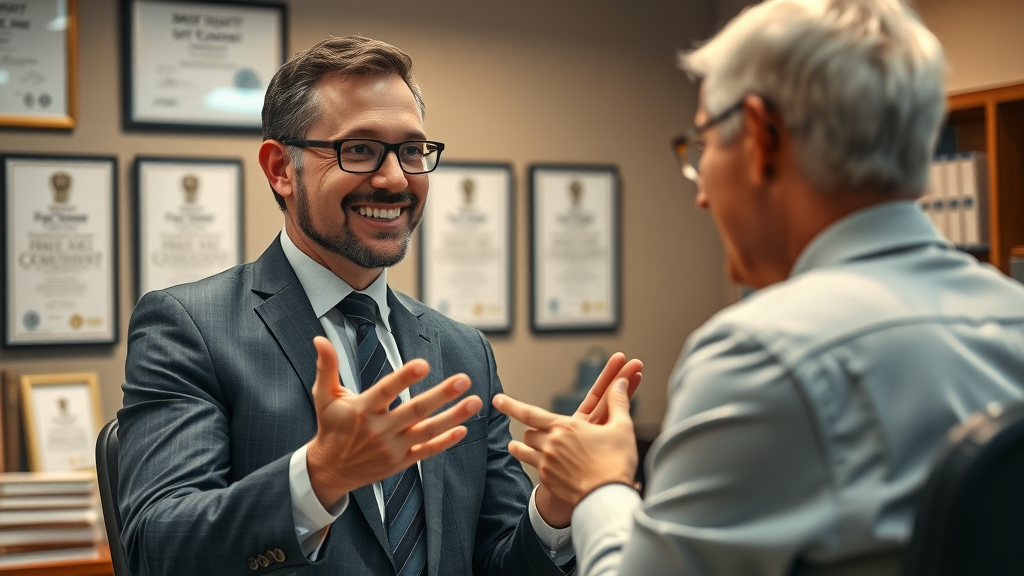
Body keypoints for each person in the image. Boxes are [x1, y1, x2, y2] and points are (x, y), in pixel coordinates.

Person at [493, 1, 1024, 575]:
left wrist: (599, 487)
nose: (701, 195)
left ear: (758, 136)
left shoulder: (764, 355)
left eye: (703, 147)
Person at [117, 35, 642, 576]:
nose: (395, 178)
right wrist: (319, 476)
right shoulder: (190, 327)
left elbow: (494, 563)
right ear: (280, 169)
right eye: (360, 149)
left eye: (412, 151)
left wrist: (554, 510)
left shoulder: (463, 351)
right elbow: (157, 547)